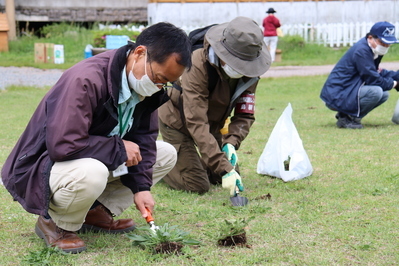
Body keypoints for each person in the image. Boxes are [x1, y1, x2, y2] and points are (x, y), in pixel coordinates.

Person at [1, 22, 192, 253]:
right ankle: (55, 223)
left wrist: (142, 187)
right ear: (140, 53)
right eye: (158, 77)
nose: (158, 86)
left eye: (166, 83)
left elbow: (144, 139)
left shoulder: (147, 89)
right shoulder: (86, 80)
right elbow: (63, 144)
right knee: (93, 172)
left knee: (165, 154)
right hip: (42, 166)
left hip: (87, 156)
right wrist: (119, 148)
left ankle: (94, 213)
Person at [158, 16, 271, 197]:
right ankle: (159, 161)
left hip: (211, 125)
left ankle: (190, 161)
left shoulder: (251, 70)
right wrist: (224, 166)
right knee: (197, 184)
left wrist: (231, 143)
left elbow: (245, 114)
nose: (241, 68)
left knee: (221, 175)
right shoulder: (197, 64)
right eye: (236, 62)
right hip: (177, 121)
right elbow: (195, 121)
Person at [320, 21, 399, 129]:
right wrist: (395, 84)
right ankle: (348, 119)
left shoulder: (373, 49)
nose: (386, 46)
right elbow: (373, 79)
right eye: (383, 42)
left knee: (384, 94)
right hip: (337, 95)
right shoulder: (362, 51)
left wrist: (396, 75)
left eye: (388, 43)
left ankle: (347, 117)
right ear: (371, 38)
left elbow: (376, 71)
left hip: (348, 90)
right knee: (376, 92)